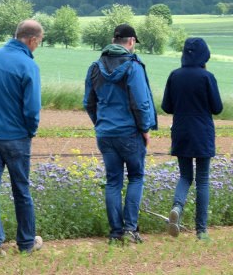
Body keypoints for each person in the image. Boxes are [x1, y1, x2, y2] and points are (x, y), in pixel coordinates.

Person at [0, 19, 45, 258]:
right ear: (32, 40)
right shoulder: (28, 65)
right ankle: (26, 243)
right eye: (39, 43)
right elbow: (32, 109)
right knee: (21, 189)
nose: (37, 47)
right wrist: (30, 131)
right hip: (16, 137)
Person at [85, 24, 159, 244]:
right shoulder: (133, 66)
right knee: (136, 177)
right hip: (129, 133)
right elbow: (141, 103)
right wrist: (145, 129)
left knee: (113, 182)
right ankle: (130, 229)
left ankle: (115, 233)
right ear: (132, 42)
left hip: (105, 133)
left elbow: (88, 102)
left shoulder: (95, 67)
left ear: (113, 39)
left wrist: (100, 123)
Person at [161, 37, 223, 240]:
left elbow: (167, 107)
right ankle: (201, 230)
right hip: (202, 132)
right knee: (203, 180)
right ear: (204, 55)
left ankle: (177, 208)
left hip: (180, 130)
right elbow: (217, 108)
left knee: (185, 176)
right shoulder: (207, 77)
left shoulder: (174, 75)